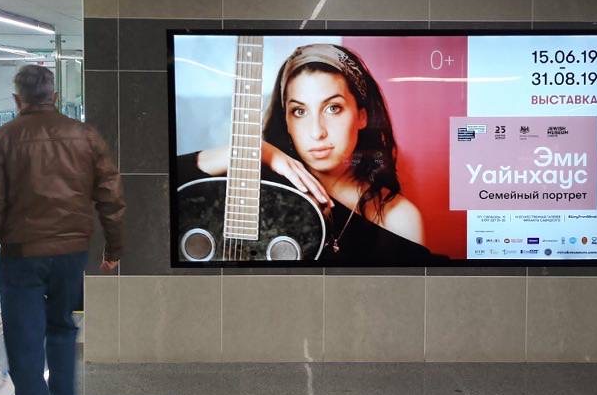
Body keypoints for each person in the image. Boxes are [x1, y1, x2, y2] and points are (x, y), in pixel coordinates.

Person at [0, 64, 123, 395]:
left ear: (17, 99)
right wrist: (113, 248)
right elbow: (110, 195)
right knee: (61, 329)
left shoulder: (4, 139)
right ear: (54, 96)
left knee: (24, 344)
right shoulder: (85, 136)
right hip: (71, 253)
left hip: (22, 256)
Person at [180, 42, 436, 265]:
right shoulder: (253, 189)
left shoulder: (399, 218)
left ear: (362, 116)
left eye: (333, 108)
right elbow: (165, 189)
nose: (316, 132)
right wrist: (254, 151)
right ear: (287, 122)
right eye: (299, 112)